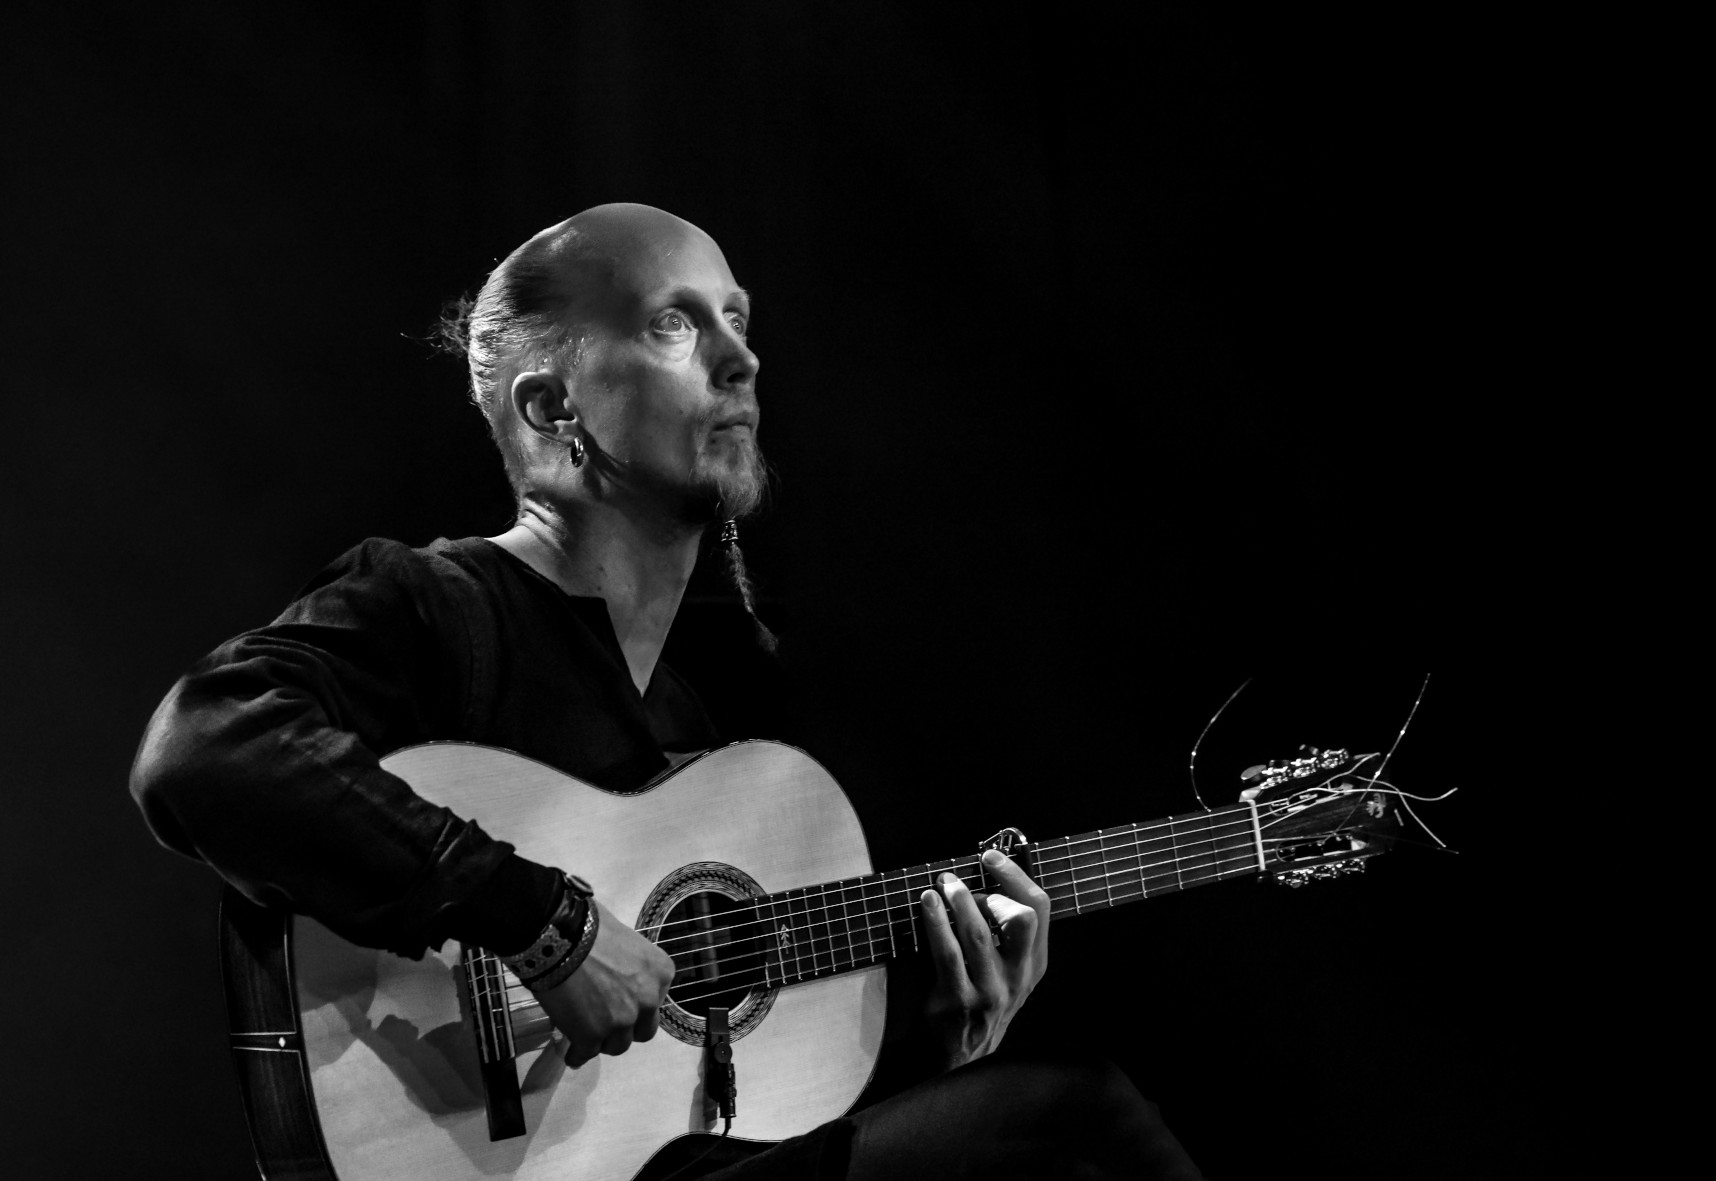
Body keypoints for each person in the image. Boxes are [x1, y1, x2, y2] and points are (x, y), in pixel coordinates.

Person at [131, 203, 1203, 1180]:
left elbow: (701, 1112)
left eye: (736, 318)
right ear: (553, 406)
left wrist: (940, 1035)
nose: (743, 357)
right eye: (674, 325)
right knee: (1073, 1121)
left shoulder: (691, 728)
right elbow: (204, 749)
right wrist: (540, 922)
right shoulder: (434, 606)